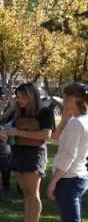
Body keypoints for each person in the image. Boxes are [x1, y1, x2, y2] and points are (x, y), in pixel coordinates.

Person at [2, 83, 54, 222]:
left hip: (34, 154)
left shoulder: (44, 112)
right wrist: (4, 134)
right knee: (26, 194)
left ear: (31, 96)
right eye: (17, 97)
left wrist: (18, 132)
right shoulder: (17, 111)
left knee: (33, 193)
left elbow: (46, 134)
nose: (18, 100)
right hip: (17, 153)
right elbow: (3, 126)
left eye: (21, 97)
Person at [46, 83, 88, 222]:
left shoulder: (76, 123)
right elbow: (55, 138)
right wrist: (64, 119)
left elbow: (69, 156)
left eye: (65, 97)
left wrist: (53, 181)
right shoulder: (79, 120)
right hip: (78, 176)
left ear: (72, 98)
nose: (63, 100)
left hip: (69, 178)